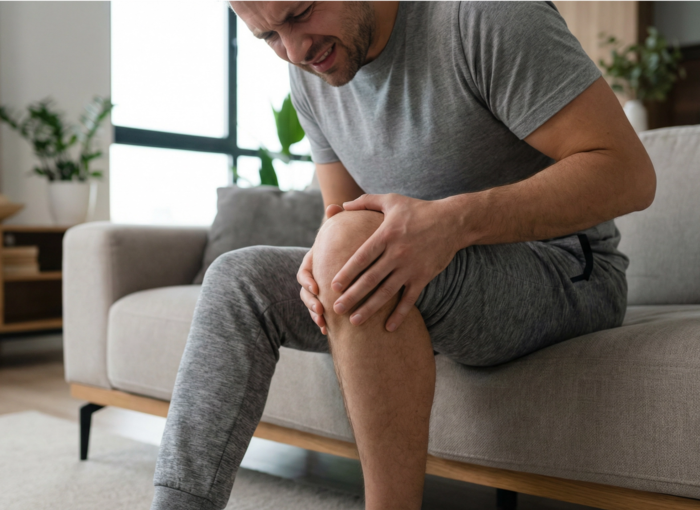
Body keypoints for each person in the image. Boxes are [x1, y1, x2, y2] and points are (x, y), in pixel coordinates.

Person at [150, 0, 656, 508]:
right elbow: (343, 215)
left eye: (301, 12)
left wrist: (451, 224)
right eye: (269, 38)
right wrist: (321, 259)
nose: (296, 50)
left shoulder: (483, 15)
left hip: (565, 269)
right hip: (429, 279)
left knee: (357, 254)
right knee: (237, 279)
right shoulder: (310, 74)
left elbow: (630, 175)